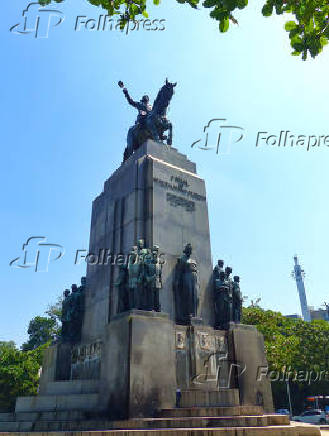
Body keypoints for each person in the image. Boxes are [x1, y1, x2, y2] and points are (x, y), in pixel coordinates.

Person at [122, 87, 152, 155]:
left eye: (147, 100)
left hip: (150, 121)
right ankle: (130, 148)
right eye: (145, 99)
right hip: (141, 121)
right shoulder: (139, 104)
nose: (146, 101)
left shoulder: (151, 107)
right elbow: (131, 101)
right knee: (131, 129)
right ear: (143, 100)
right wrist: (126, 92)